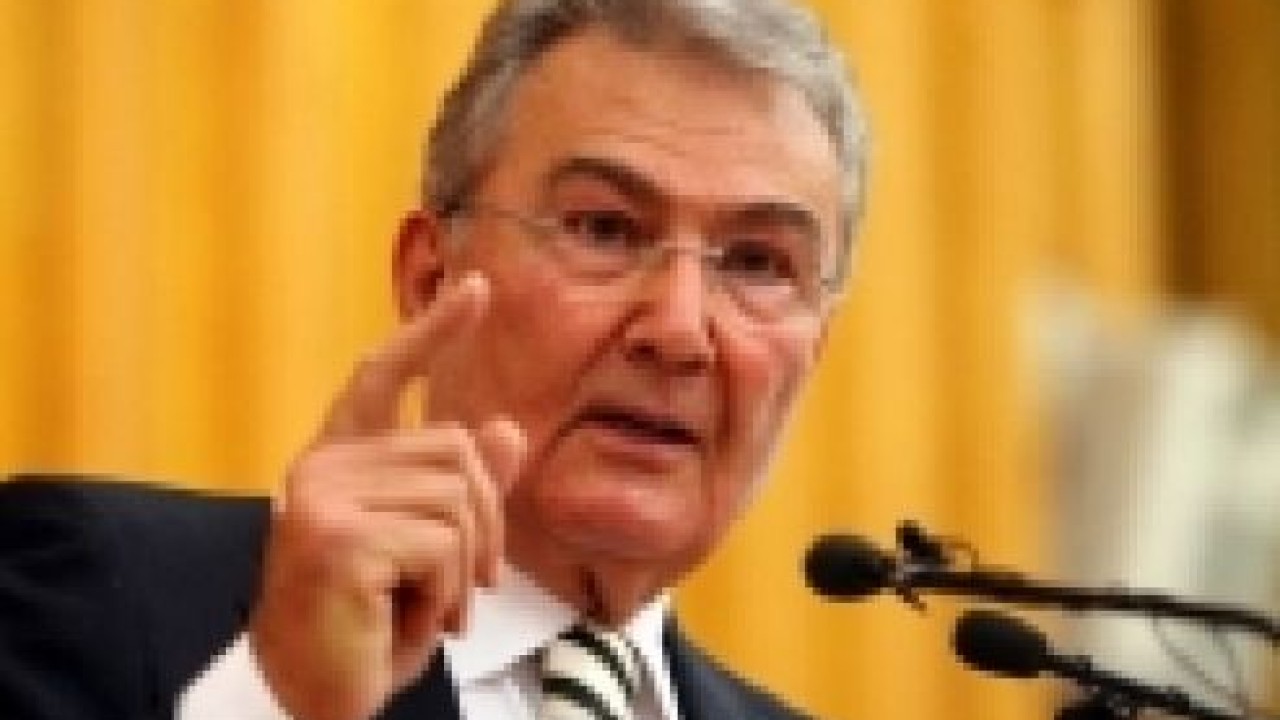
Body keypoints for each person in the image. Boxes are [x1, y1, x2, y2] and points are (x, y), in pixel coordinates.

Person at [0, 0, 869, 718]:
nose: (679, 331)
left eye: (758, 264)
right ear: (431, 277)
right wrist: (281, 703)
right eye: (604, 229)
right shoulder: (101, 594)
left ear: (814, 350)